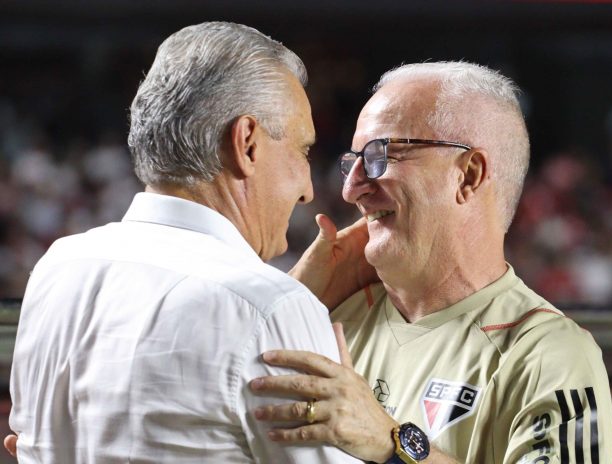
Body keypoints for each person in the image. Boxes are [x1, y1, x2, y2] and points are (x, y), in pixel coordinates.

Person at [6, 21, 363, 463]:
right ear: (247, 143)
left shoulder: (58, 266)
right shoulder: (271, 306)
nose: (308, 188)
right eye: (302, 150)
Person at [249, 62, 612, 463]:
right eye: (351, 160)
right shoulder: (326, 314)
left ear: (468, 176)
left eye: (381, 155)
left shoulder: (547, 355)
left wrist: (394, 444)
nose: (351, 188)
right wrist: (296, 298)